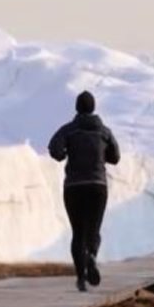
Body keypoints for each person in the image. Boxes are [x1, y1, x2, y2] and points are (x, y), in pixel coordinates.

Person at [48, 90, 121, 292]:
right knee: (93, 230)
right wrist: (102, 156)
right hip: (97, 185)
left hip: (74, 186)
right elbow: (115, 157)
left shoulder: (68, 129)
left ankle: (81, 278)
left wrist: (64, 154)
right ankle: (92, 256)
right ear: (93, 107)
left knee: (78, 232)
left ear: (77, 108)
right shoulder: (104, 131)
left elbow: (54, 149)